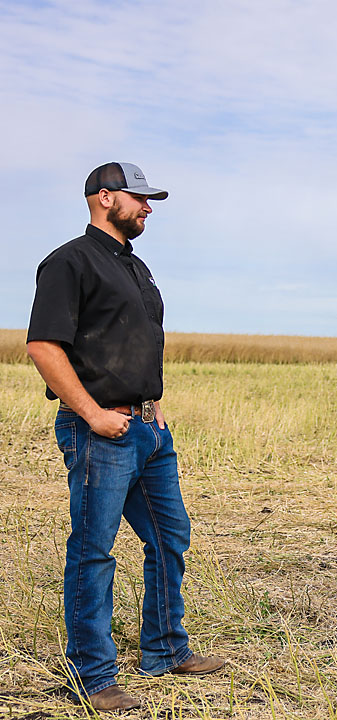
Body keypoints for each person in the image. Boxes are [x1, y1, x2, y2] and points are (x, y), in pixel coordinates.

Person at [26, 163, 224, 712]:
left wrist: (148, 404)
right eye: (140, 199)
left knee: (170, 537)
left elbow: (131, 343)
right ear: (104, 198)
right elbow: (44, 346)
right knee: (94, 551)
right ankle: (91, 674)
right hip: (101, 432)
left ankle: (164, 649)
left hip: (146, 430)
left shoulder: (135, 267)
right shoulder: (69, 262)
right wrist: (91, 413)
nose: (148, 208)